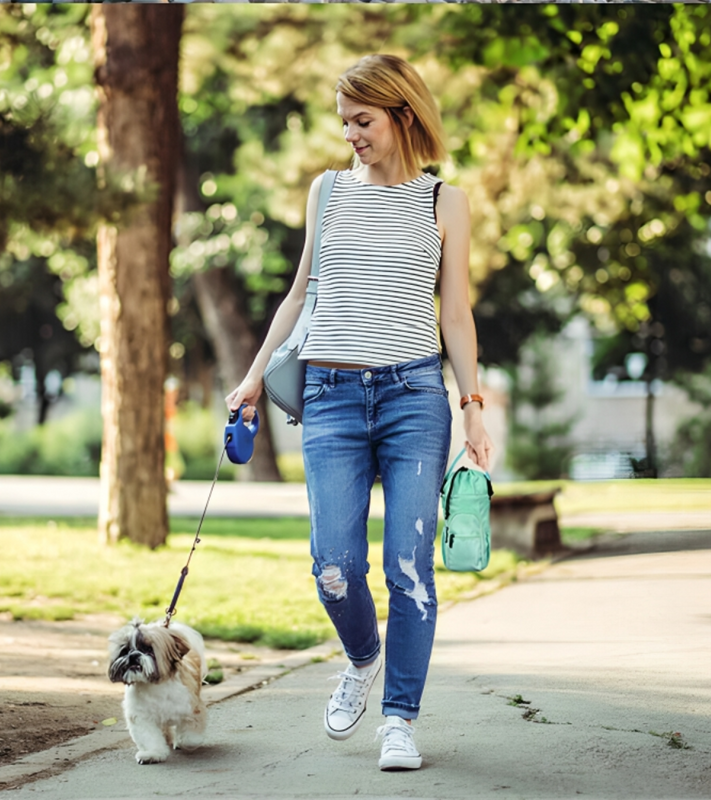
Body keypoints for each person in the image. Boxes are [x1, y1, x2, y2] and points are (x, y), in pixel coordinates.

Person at [225, 54, 493, 771]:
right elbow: (298, 293)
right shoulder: (328, 191)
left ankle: (400, 719)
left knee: (408, 567)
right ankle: (363, 656)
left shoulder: (446, 202)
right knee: (334, 566)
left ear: (403, 114)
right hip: (330, 398)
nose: (351, 135)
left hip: (413, 398)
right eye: (344, 121)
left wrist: (473, 405)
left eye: (363, 120)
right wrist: (254, 378)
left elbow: (456, 314)